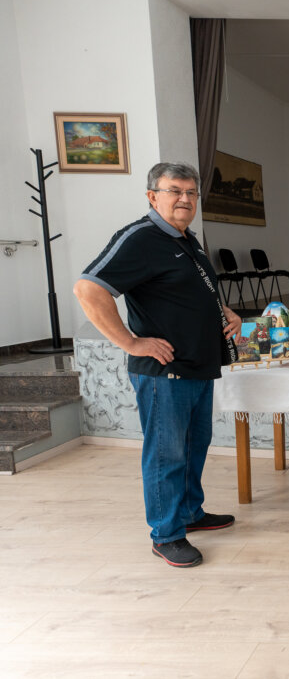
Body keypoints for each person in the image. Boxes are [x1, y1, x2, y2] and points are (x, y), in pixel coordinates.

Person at [74, 162, 241, 567]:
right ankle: (166, 534)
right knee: (167, 454)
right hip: (165, 371)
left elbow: (190, 290)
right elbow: (88, 289)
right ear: (152, 196)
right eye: (174, 191)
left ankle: (189, 513)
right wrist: (131, 342)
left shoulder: (187, 238)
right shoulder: (140, 238)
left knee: (194, 446)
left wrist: (224, 312)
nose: (185, 199)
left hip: (198, 364)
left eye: (191, 192)